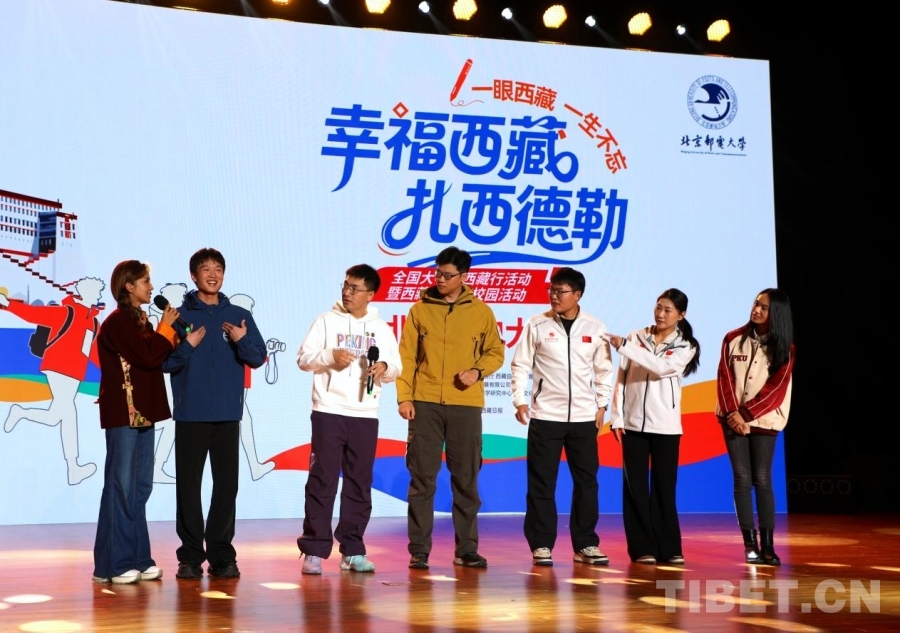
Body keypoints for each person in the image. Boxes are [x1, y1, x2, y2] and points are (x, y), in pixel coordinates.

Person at [398, 247, 505, 570]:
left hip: (465, 404)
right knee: (422, 479)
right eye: (437, 273)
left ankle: (466, 549)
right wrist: (404, 397)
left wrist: (477, 372)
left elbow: (495, 352)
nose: (440, 279)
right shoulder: (420, 310)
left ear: (464, 277)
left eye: (447, 275)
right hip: (425, 403)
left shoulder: (481, 312)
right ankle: (419, 550)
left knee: (466, 479)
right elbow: (407, 357)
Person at [163, 248, 267, 579]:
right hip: (190, 414)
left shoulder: (239, 315)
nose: (212, 274)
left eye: (218, 269)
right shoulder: (177, 316)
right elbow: (163, 362)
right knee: (188, 487)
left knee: (226, 487)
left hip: (226, 414)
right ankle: (190, 556)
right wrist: (187, 345)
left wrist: (241, 340)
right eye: (205, 269)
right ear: (193, 275)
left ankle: (222, 554)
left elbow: (258, 357)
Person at [295, 264, 402, 575]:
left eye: (355, 288)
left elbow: (396, 367)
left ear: (370, 294)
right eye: (345, 286)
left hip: (365, 414)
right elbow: (303, 359)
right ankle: (314, 549)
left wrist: (384, 368)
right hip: (328, 410)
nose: (347, 292)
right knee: (322, 479)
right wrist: (330, 356)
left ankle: (352, 549)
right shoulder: (326, 321)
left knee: (359, 482)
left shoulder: (381, 328)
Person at [510, 267, 613, 567]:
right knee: (542, 483)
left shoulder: (595, 327)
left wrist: (602, 405)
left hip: (584, 418)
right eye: (551, 290)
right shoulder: (537, 324)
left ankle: (586, 543)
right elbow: (520, 365)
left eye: (561, 291)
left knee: (587, 482)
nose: (554, 296)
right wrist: (519, 400)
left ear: (577, 295)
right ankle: (541, 544)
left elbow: (604, 371)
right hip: (546, 415)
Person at [91, 260, 186, 583]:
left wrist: (177, 337)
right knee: (121, 486)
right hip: (124, 412)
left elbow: (156, 358)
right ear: (129, 286)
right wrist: (164, 330)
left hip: (145, 411)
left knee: (140, 487)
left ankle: (137, 557)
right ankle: (115, 564)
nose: (151, 287)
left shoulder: (142, 320)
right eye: (145, 281)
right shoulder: (117, 322)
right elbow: (145, 356)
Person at [607, 288, 701, 566]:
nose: (660, 314)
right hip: (633, 425)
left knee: (664, 488)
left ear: (681, 315)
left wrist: (625, 346)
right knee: (634, 488)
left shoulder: (686, 345)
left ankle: (669, 547)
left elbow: (660, 367)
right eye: (658, 307)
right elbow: (621, 378)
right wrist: (617, 417)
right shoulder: (636, 336)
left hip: (666, 426)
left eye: (668, 310)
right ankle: (641, 548)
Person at [716, 288, 795, 566]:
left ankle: (768, 546)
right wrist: (733, 414)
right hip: (731, 419)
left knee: (762, 479)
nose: (756, 309)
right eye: (756, 303)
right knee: (741, 478)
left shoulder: (785, 348)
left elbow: (776, 389)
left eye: (764, 307)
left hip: (764, 420)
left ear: (777, 314)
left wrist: (746, 414)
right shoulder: (732, 339)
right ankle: (750, 545)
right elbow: (724, 379)